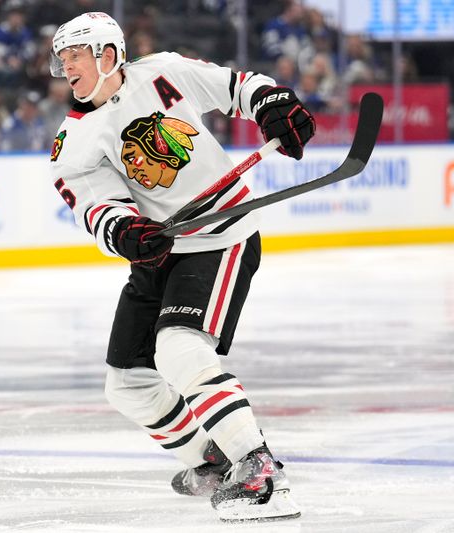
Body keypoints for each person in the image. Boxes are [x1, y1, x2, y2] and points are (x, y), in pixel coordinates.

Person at [47, 12, 314, 522]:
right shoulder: (73, 140)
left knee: (179, 349)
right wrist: (124, 230)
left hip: (220, 236)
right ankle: (211, 462)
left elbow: (239, 87)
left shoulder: (162, 72)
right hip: (160, 251)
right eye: (63, 58)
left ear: (108, 55)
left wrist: (272, 103)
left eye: (75, 55)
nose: (67, 66)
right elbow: (95, 205)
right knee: (128, 382)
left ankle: (259, 475)